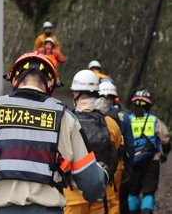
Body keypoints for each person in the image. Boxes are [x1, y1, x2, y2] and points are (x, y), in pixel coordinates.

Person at [0, 52, 108, 214]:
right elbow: (91, 185)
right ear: (51, 82)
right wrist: (103, 176)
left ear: (14, 80)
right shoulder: (66, 118)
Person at [64, 69, 121, 214]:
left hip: (73, 197)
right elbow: (116, 149)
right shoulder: (111, 124)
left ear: (76, 94)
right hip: (103, 196)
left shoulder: (67, 123)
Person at [128, 90, 171, 214]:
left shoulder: (127, 120)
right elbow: (166, 141)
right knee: (149, 191)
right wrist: (164, 156)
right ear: (148, 106)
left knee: (133, 191)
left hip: (132, 162)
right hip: (151, 161)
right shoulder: (154, 121)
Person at [99, 81, 135, 214]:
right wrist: (129, 168)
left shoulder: (94, 113)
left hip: (94, 163)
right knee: (113, 199)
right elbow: (130, 145)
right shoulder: (123, 116)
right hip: (117, 164)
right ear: (114, 98)